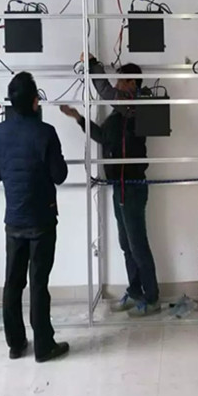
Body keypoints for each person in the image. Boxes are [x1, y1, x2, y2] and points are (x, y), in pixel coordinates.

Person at [60, 54, 160, 317]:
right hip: (119, 186)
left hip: (133, 187)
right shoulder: (118, 114)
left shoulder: (137, 106)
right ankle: (136, 292)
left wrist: (93, 65)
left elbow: (105, 91)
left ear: (132, 84)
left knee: (138, 245)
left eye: (120, 81)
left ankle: (152, 299)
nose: (116, 86)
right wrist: (78, 118)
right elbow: (103, 137)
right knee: (126, 244)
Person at [0, 72, 70, 362]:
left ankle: (16, 344)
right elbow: (59, 175)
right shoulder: (45, 133)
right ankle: (44, 346)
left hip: (14, 221)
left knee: (12, 283)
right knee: (38, 283)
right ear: (35, 101)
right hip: (42, 220)